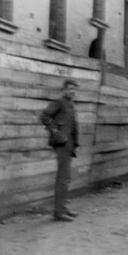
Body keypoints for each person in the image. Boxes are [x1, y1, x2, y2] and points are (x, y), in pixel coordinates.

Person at [40, 78, 80, 221]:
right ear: (64, 90)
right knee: (62, 178)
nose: (73, 91)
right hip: (62, 144)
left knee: (66, 178)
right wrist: (55, 132)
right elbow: (44, 115)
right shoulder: (59, 102)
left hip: (69, 145)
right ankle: (58, 212)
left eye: (75, 89)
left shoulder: (71, 105)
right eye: (70, 89)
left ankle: (63, 208)